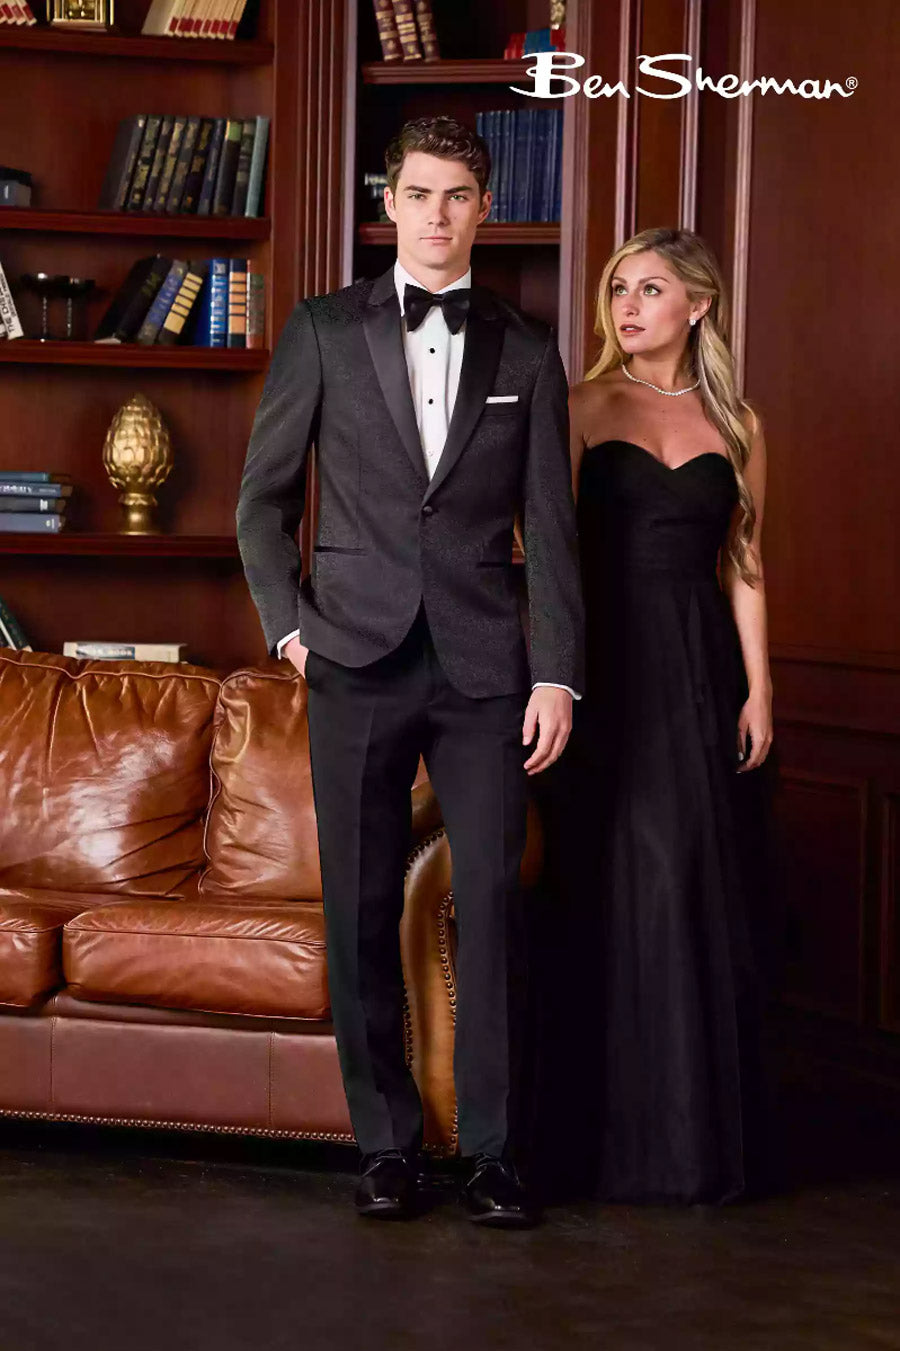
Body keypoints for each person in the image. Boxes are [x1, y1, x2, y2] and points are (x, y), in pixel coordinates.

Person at [236, 116, 584, 1226]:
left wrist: (558, 674)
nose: (438, 216)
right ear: (390, 203)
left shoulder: (529, 353)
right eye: (420, 194)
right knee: (360, 908)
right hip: (353, 656)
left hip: (490, 668)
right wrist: (291, 627)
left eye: (459, 196)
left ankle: (493, 1151)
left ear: (485, 208)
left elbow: (554, 530)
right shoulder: (323, 330)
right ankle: (384, 1145)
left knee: (490, 904)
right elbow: (262, 500)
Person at [554, 226, 775, 1205]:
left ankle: (689, 1149)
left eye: (649, 288)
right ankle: (592, 1144)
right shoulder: (580, 406)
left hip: (700, 668)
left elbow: (745, 561)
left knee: (690, 881)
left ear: (700, 305)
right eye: (616, 289)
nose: (625, 306)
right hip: (603, 662)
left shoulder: (742, 425)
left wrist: (759, 687)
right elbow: (545, 553)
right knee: (610, 878)